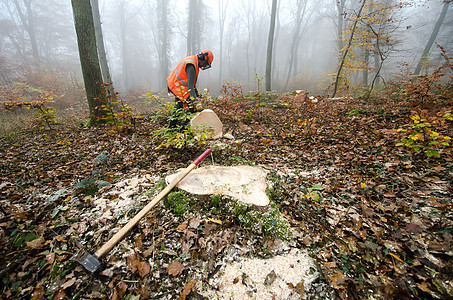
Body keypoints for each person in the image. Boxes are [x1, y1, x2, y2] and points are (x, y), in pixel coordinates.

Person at [166, 49, 214, 129]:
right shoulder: (191, 65)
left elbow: (191, 84)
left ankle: (171, 127)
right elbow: (190, 86)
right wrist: (196, 102)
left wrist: (197, 95)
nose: (204, 66)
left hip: (177, 84)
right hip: (176, 85)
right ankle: (182, 129)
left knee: (178, 105)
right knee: (190, 107)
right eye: (205, 63)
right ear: (203, 57)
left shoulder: (193, 62)